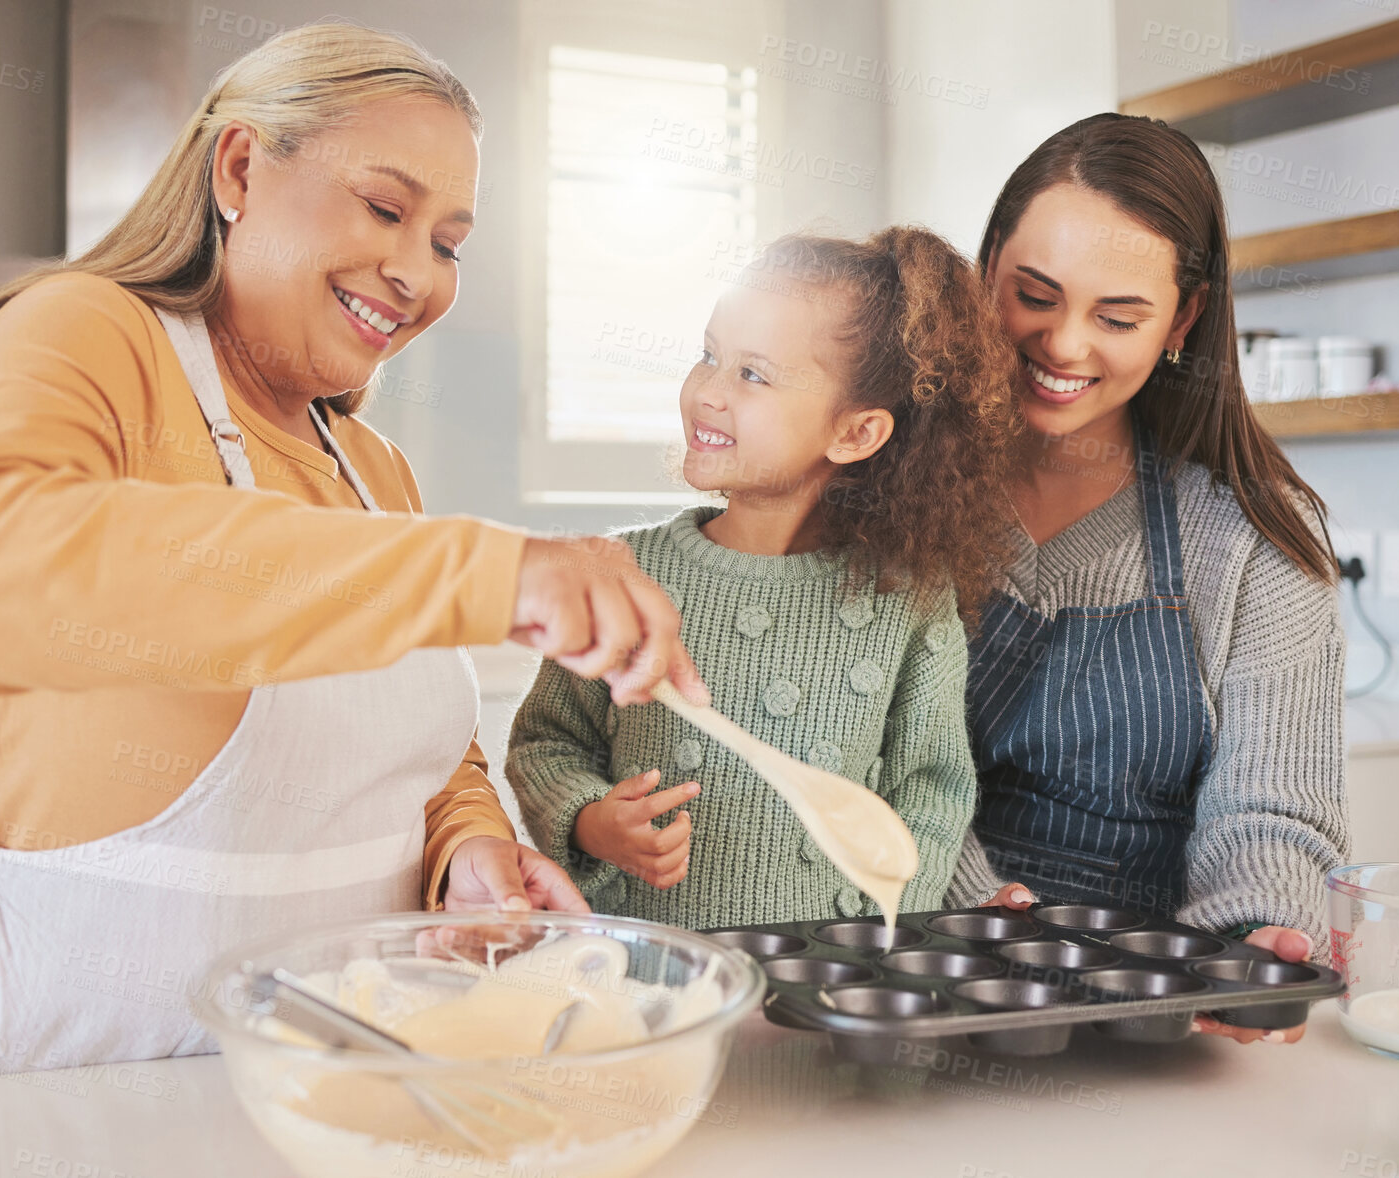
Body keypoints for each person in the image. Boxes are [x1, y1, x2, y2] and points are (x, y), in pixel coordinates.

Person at [0, 22, 705, 1085]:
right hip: (41, 1086)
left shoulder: (370, 466)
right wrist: (486, 568)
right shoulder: (82, 331)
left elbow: (428, 753)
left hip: (313, 1087)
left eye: (447, 243)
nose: (414, 273)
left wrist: (467, 851)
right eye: (385, 208)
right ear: (241, 168)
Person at [952, 113, 1350, 1044]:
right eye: (1034, 296)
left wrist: (1251, 936)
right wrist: (972, 907)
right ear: (985, 271)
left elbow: (1272, 800)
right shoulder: (898, 492)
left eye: (1117, 316)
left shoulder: (1255, 536)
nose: (1064, 346)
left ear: (1185, 317)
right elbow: (865, 763)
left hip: (1147, 1009)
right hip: (912, 965)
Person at [507, 227, 1024, 928]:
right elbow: (547, 741)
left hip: (839, 984)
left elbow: (930, 794)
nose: (708, 393)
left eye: (753, 374)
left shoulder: (911, 603)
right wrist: (592, 822)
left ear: (855, 434)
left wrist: (897, 935)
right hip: (650, 975)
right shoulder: (620, 576)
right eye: (709, 356)